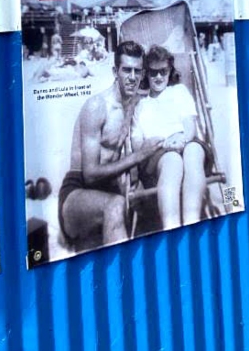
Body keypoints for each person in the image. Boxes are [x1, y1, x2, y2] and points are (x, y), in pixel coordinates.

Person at [58, 41, 174, 249]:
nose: (132, 77)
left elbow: (163, 90)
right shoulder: (98, 107)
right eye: (126, 70)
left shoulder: (134, 103)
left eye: (137, 71)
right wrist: (138, 156)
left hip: (109, 191)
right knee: (116, 205)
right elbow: (90, 174)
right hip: (76, 193)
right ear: (115, 71)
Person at [130, 45, 208, 228]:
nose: (158, 77)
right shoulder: (141, 105)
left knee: (194, 151)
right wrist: (164, 144)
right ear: (146, 74)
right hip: (157, 154)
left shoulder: (179, 91)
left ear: (170, 71)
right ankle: (171, 226)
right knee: (172, 160)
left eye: (163, 71)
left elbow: (190, 126)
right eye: (153, 72)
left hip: (185, 141)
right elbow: (137, 145)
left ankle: (192, 221)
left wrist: (182, 140)